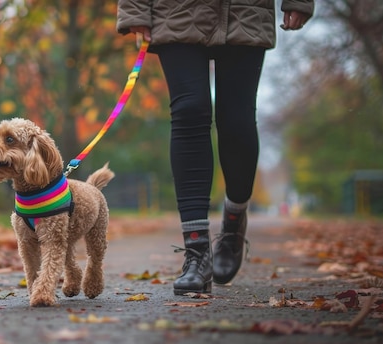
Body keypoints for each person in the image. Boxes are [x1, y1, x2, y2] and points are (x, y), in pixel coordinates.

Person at [116, 0, 314, 295]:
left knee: (236, 119)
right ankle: (197, 253)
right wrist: (135, 8)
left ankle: (233, 222)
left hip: (245, 8)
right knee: (189, 111)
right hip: (175, 9)